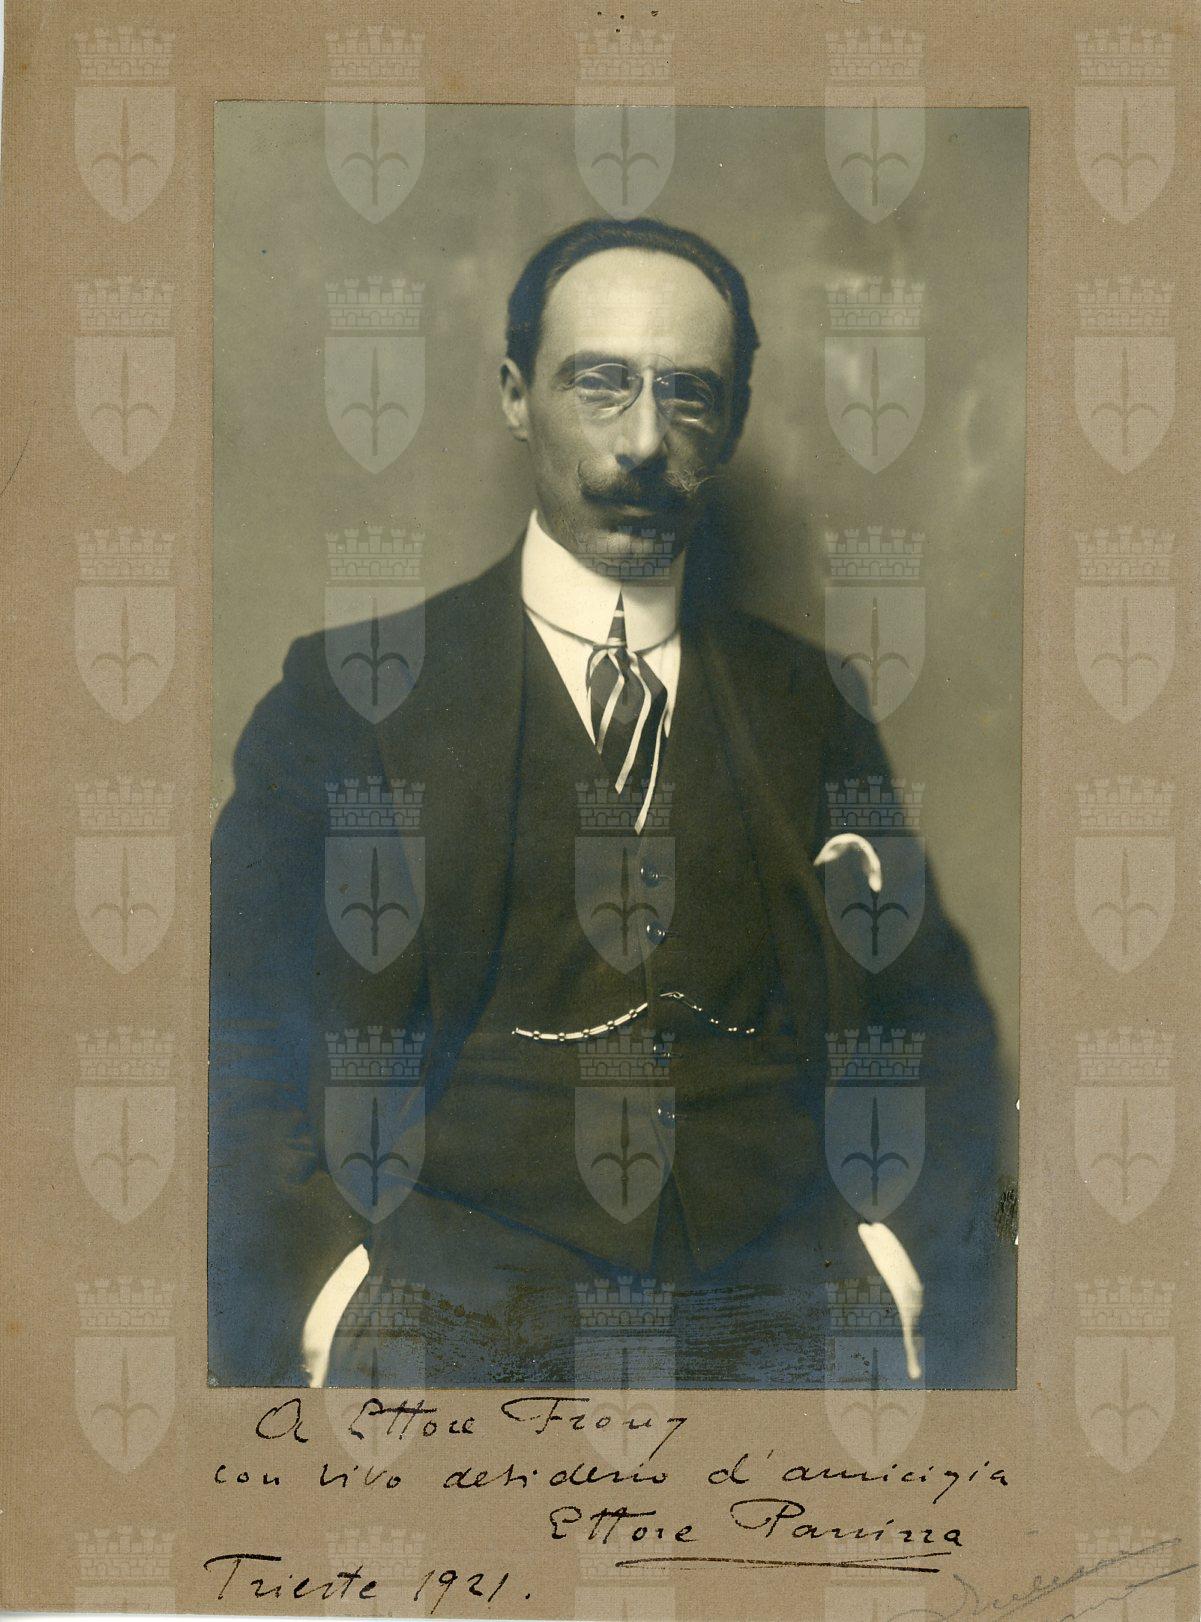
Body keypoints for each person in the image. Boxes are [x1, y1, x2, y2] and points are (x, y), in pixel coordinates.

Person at [209, 217, 1015, 1390]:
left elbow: (934, 1018)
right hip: (451, 1330)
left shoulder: (809, 706)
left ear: (730, 421)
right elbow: (235, 1030)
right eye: (601, 383)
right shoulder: (346, 700)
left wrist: (897, 1263)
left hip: (781, 1326)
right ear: (515, 395)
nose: (643, 439)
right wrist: (324, 1295)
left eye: (687, 394)